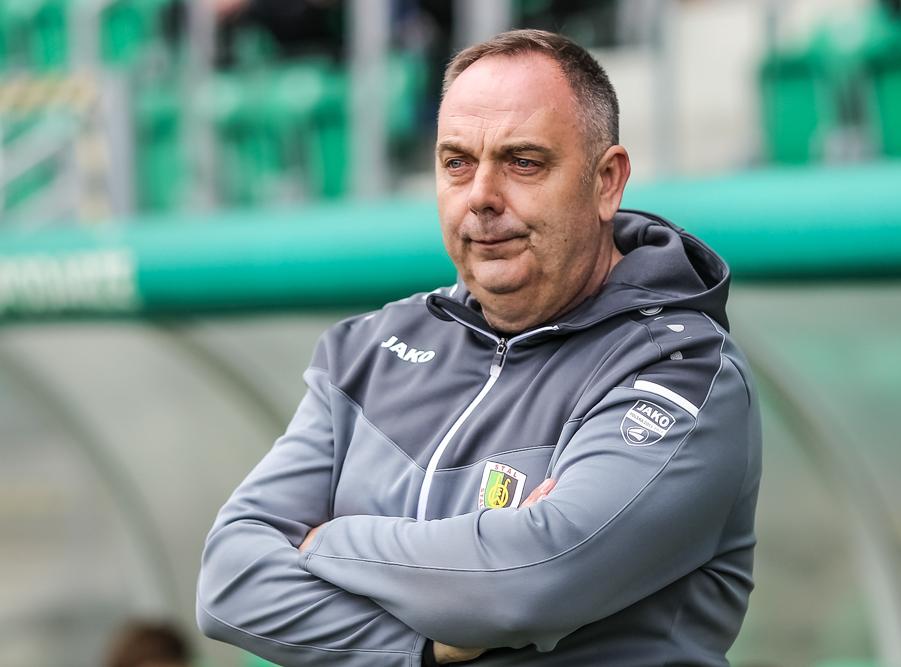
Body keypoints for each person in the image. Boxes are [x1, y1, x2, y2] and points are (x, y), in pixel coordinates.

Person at [197, 29, 761, 666]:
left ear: (606, 181)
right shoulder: (369, 348)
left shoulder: (683, 372)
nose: (482, 197)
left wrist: (325, 543)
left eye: (523, 162)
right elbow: (229, 583)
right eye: (457, 162)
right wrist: (426, 646)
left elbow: (529, 583)